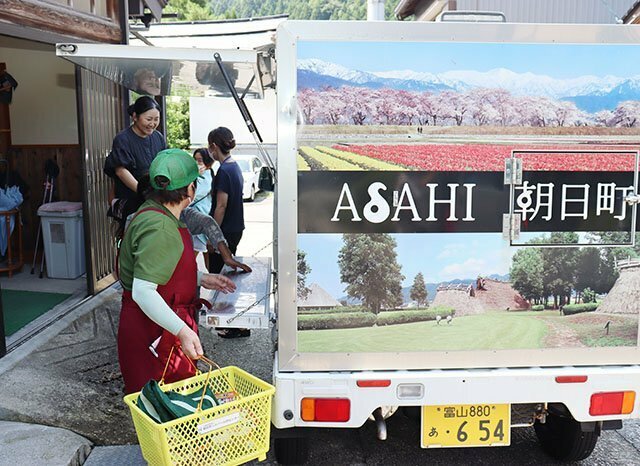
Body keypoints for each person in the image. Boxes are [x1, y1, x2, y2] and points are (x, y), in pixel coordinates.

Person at [117, 149, 237, 394]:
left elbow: (159, 273)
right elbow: (143, 290)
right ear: (190, 190)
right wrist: (181, 330)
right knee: (162, 409)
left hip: (162, 326)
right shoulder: (160, 226)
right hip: (153, 331)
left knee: (173, 407)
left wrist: (202, 279)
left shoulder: (160, 214)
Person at [207, 127, 249, 338]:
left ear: (214, 146)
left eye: (209, 147)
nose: (209, 151)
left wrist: (212, 235)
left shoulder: (223, 171)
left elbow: (220, 206)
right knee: (228, 273)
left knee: (219, 276)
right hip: (236, 227)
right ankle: (236, 322)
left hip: (225, 231)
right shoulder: (235, 166)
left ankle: (230, 324)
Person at [104, 95, 165, 235]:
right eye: (148, 119)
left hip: (154, 199)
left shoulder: (158, 137)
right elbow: (120, 171)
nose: (153, 124)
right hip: (131, 199)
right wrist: (144, 193)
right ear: (135, 117)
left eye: (156, 119)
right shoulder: (123, 138)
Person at [190, 148, 215, 270]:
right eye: (194, 160)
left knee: (192, 256)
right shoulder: (200, 176)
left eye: (199, 160)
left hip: (199, 220)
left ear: (208, 162)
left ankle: (195, 282)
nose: (196, 163)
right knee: (202, 254)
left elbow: (193, 195)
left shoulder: (205, 177)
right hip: (197, 220)